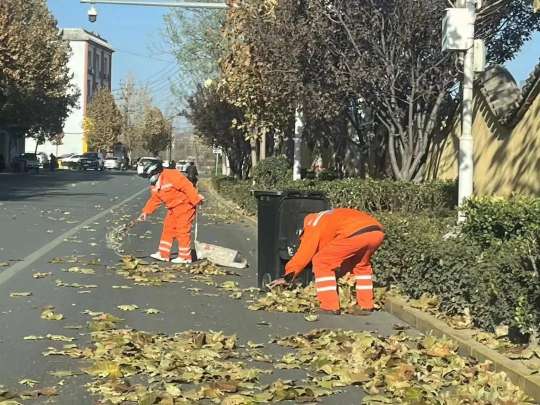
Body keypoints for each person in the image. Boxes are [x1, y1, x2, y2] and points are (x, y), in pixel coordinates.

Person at [269, 208, 385, 315]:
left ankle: (329, 306)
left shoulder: (312, 224)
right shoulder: (326, 217)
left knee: (321, 261)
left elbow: (305, 252)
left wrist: (289, 275)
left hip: (355, 234)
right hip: (377, 233)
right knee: (361, 266)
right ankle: (366, 305)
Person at [138, 161, 204, 264]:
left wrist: (196, 199)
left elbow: (186, 186)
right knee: (168, 228)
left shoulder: (171, 175)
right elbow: (155, 199)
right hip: (173, 208)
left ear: (156, 171)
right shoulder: (154, 184)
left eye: (149, 175)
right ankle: (163, 254)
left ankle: (185, 257)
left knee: (182, 230)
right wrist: (146, 212)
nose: (149, 178)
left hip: (185, 205)